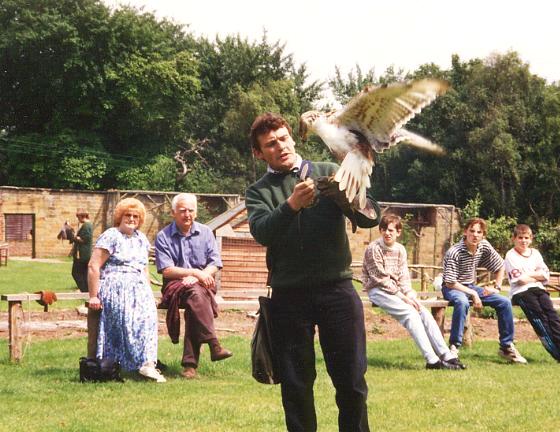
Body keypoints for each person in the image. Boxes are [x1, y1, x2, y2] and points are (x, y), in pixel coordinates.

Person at [246, 112, 381, 432]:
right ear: (259, 153)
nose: (280, 146)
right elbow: (262, 232)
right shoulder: (258, 192)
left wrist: (349, 198)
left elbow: (371, 217)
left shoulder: (329, 170)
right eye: (270, 144)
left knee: (351, 381)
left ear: (292, 137)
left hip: (337, 290)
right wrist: (290, 205)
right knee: (295, 385)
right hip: (288, 297)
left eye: (283, 138)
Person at [362, 214, 465, 370]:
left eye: (391, 230)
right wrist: (403, 298)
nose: (387, 233)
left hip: (396, 291)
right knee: (411, 314)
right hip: (378, 290)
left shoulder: (400, 250)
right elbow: (380, 279)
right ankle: (432, 361)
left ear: (398, 232)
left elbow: (403, 277)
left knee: (423, 312)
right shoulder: (374, 248)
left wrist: (411, 295)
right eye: (384, 230)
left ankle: (446, 355)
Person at [87, 198, 165, 382]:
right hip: (115, 286)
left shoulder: (141, 239)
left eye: (135, 216)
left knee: (148, 318)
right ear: (119, 217)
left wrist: (148, 293)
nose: (131, 219)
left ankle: (147, 363)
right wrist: (93, 296)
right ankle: (113, 365)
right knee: (126, 318)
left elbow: (144, 269)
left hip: (139, 287)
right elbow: (93, 266)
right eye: (127, 215)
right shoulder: (111, 235)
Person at [154, 193, 231, 380]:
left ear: (196, 213)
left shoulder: (206, 232)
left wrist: (200, 275)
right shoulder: (163, 236)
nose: (187, 214)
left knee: (196, 296)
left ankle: (190, 366)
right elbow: (166, 270)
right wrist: (194, 273)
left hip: (202, 283)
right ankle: (213, 344)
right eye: (182, 210)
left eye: (191, 210)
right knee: (196, 295)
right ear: (173, 213)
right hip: (175, 287)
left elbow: (215, 263)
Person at [441, 217, 527, 364]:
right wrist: (473, 294)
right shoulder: (454, 251)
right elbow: (450, 282)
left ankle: (506, 347)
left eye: (479, 232)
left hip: (471, 286)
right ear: (465, 232)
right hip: (453, 287)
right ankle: (454, 347)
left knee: (504, 302)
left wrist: (497, 288)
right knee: (462, 302)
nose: (475, 235)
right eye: (472, 231)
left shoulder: (483, 246)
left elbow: (501, 265)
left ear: (483, 235)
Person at [505, 224, 560, 363]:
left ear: (531, 239)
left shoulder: (535, 253)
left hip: (539, 289)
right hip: (522, 293)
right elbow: (521, 280)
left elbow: (546, 275)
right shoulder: (511, 255)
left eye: (526, 238)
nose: (523, 241)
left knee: (553, 316)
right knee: (540, 320)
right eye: (520, 238)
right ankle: (558, 355)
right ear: (514, 239)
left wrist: (530, 275)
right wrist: (536, 275)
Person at [71, 209, 93, 292]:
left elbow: (86, 239)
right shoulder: (87, 225)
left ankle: (84, 290)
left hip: (83, 254)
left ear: (82, 216)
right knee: (84, 273)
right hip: (83, 254)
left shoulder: (87, 225)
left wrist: (75, 237)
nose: (78, 219)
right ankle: (86, 290)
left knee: (76, 273)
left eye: (78, 217)